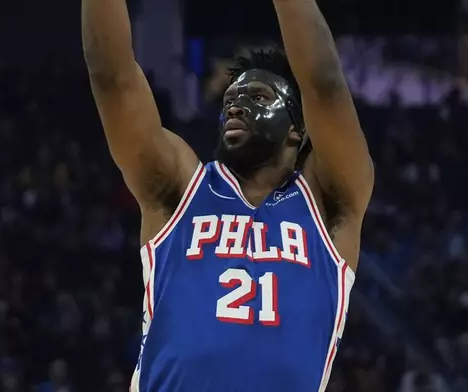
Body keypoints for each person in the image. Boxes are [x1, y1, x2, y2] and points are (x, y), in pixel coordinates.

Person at [81, 0, 373, 390]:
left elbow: (324, 83)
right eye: (231, 99)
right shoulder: (181, 186)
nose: (236, 106)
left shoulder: (328, 201)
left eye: (258, 96)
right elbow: (112, 77)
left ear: (296, 130)